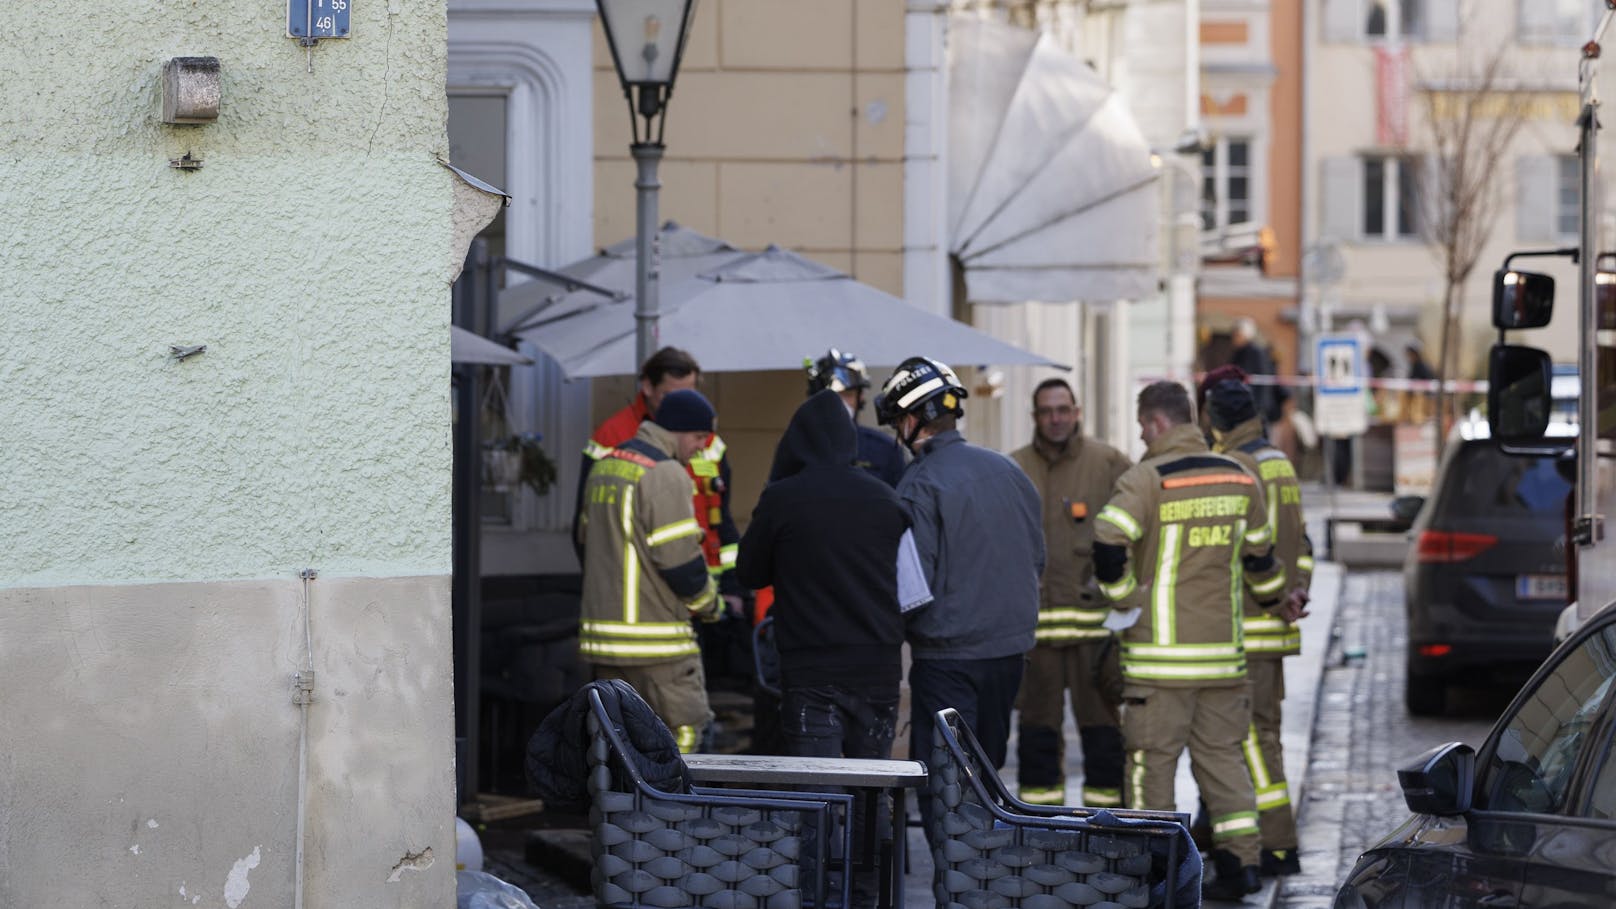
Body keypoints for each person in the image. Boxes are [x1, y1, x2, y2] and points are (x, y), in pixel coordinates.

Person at [1092, 380, 1286, 902]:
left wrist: (1124, 597)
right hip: (1223, 660)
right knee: (1224, 763)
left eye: (1141, 426)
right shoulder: (1241, 477)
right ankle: (1242, 866)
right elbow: (1262, 560)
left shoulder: (1148, 479)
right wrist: (1274, 599)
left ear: (1157, 423)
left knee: (1150, 764)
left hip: (1160, 664)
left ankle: (1154, 871)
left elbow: (1108, 539)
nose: (1140, 435)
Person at [736, 390, 930, 907]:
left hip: (809, 675)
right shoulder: (888, 500)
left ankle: (816, 897)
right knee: (871, 797)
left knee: (814, 798)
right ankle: (866, 897)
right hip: (877, 674)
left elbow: (748, 573)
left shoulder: (782, 499)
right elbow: (912, 594)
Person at [874, 356, 1044, 784]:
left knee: (947, 787)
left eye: (898, 420)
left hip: (948, 660)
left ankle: (956, 855)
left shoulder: (919, 483)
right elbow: (1037, 558)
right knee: (987, 782)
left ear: (913, 418)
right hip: (1008, 655)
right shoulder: (1009, 470)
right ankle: (988, 852)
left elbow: (913, 584)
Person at [572, 347, 748, 691]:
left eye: (689, 393)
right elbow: (587, 532)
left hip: (700, 600)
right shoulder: (611, 438)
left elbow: (722, 520)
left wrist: (730, 588)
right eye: (671, 393)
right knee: (678, 726)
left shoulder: (705, 439)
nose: (701, 445)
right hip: (653, 611)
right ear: (648, 387)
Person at [1204, 378, 1315, 878]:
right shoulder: (1277, 461)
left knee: (1250, 741)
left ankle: (1275, 844)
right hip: (1275, 626)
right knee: (1260, 738)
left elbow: (1236, 553)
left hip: (1246, 628)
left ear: (1212, 420)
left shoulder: (1237, 467)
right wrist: (1298, 591)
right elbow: (1303, 542)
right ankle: (1259, 836)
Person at [576, 389, 725, 751]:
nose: (701, 448)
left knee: (620, 752)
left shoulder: (606, 466)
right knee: (686, 740)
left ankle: (625, 811)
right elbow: (681, 565)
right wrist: (712, 606)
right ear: (677, 430)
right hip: (659, 648)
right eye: (698, 438)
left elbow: (583, 538)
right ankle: (673, 812)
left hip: (605, 644)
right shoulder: (666, 473)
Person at [1008, 378, 1132, 808]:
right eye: (1046, 411)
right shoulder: (1015, 467)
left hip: (1094, 639)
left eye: (1063, 409)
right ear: (1034, 417)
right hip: (1036, 638)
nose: (1055, 418)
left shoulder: (1110, 463)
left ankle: (1109, 828)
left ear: (1077, 412)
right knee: (1037, 734)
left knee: (1102, 733)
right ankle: (1039, 826)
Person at [805, 348, 907, 487]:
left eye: (847, 394)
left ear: (861, 398)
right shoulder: (799, 447)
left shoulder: (884, 449)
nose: (839, 404)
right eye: (831, 396)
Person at [1229, 318, 1288, 425]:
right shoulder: (1239, 353)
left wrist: (1260, 408)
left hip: (1257, 409)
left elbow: (1263, 382)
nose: (1234, 339)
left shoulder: (1256, 353)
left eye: (1237, 335)